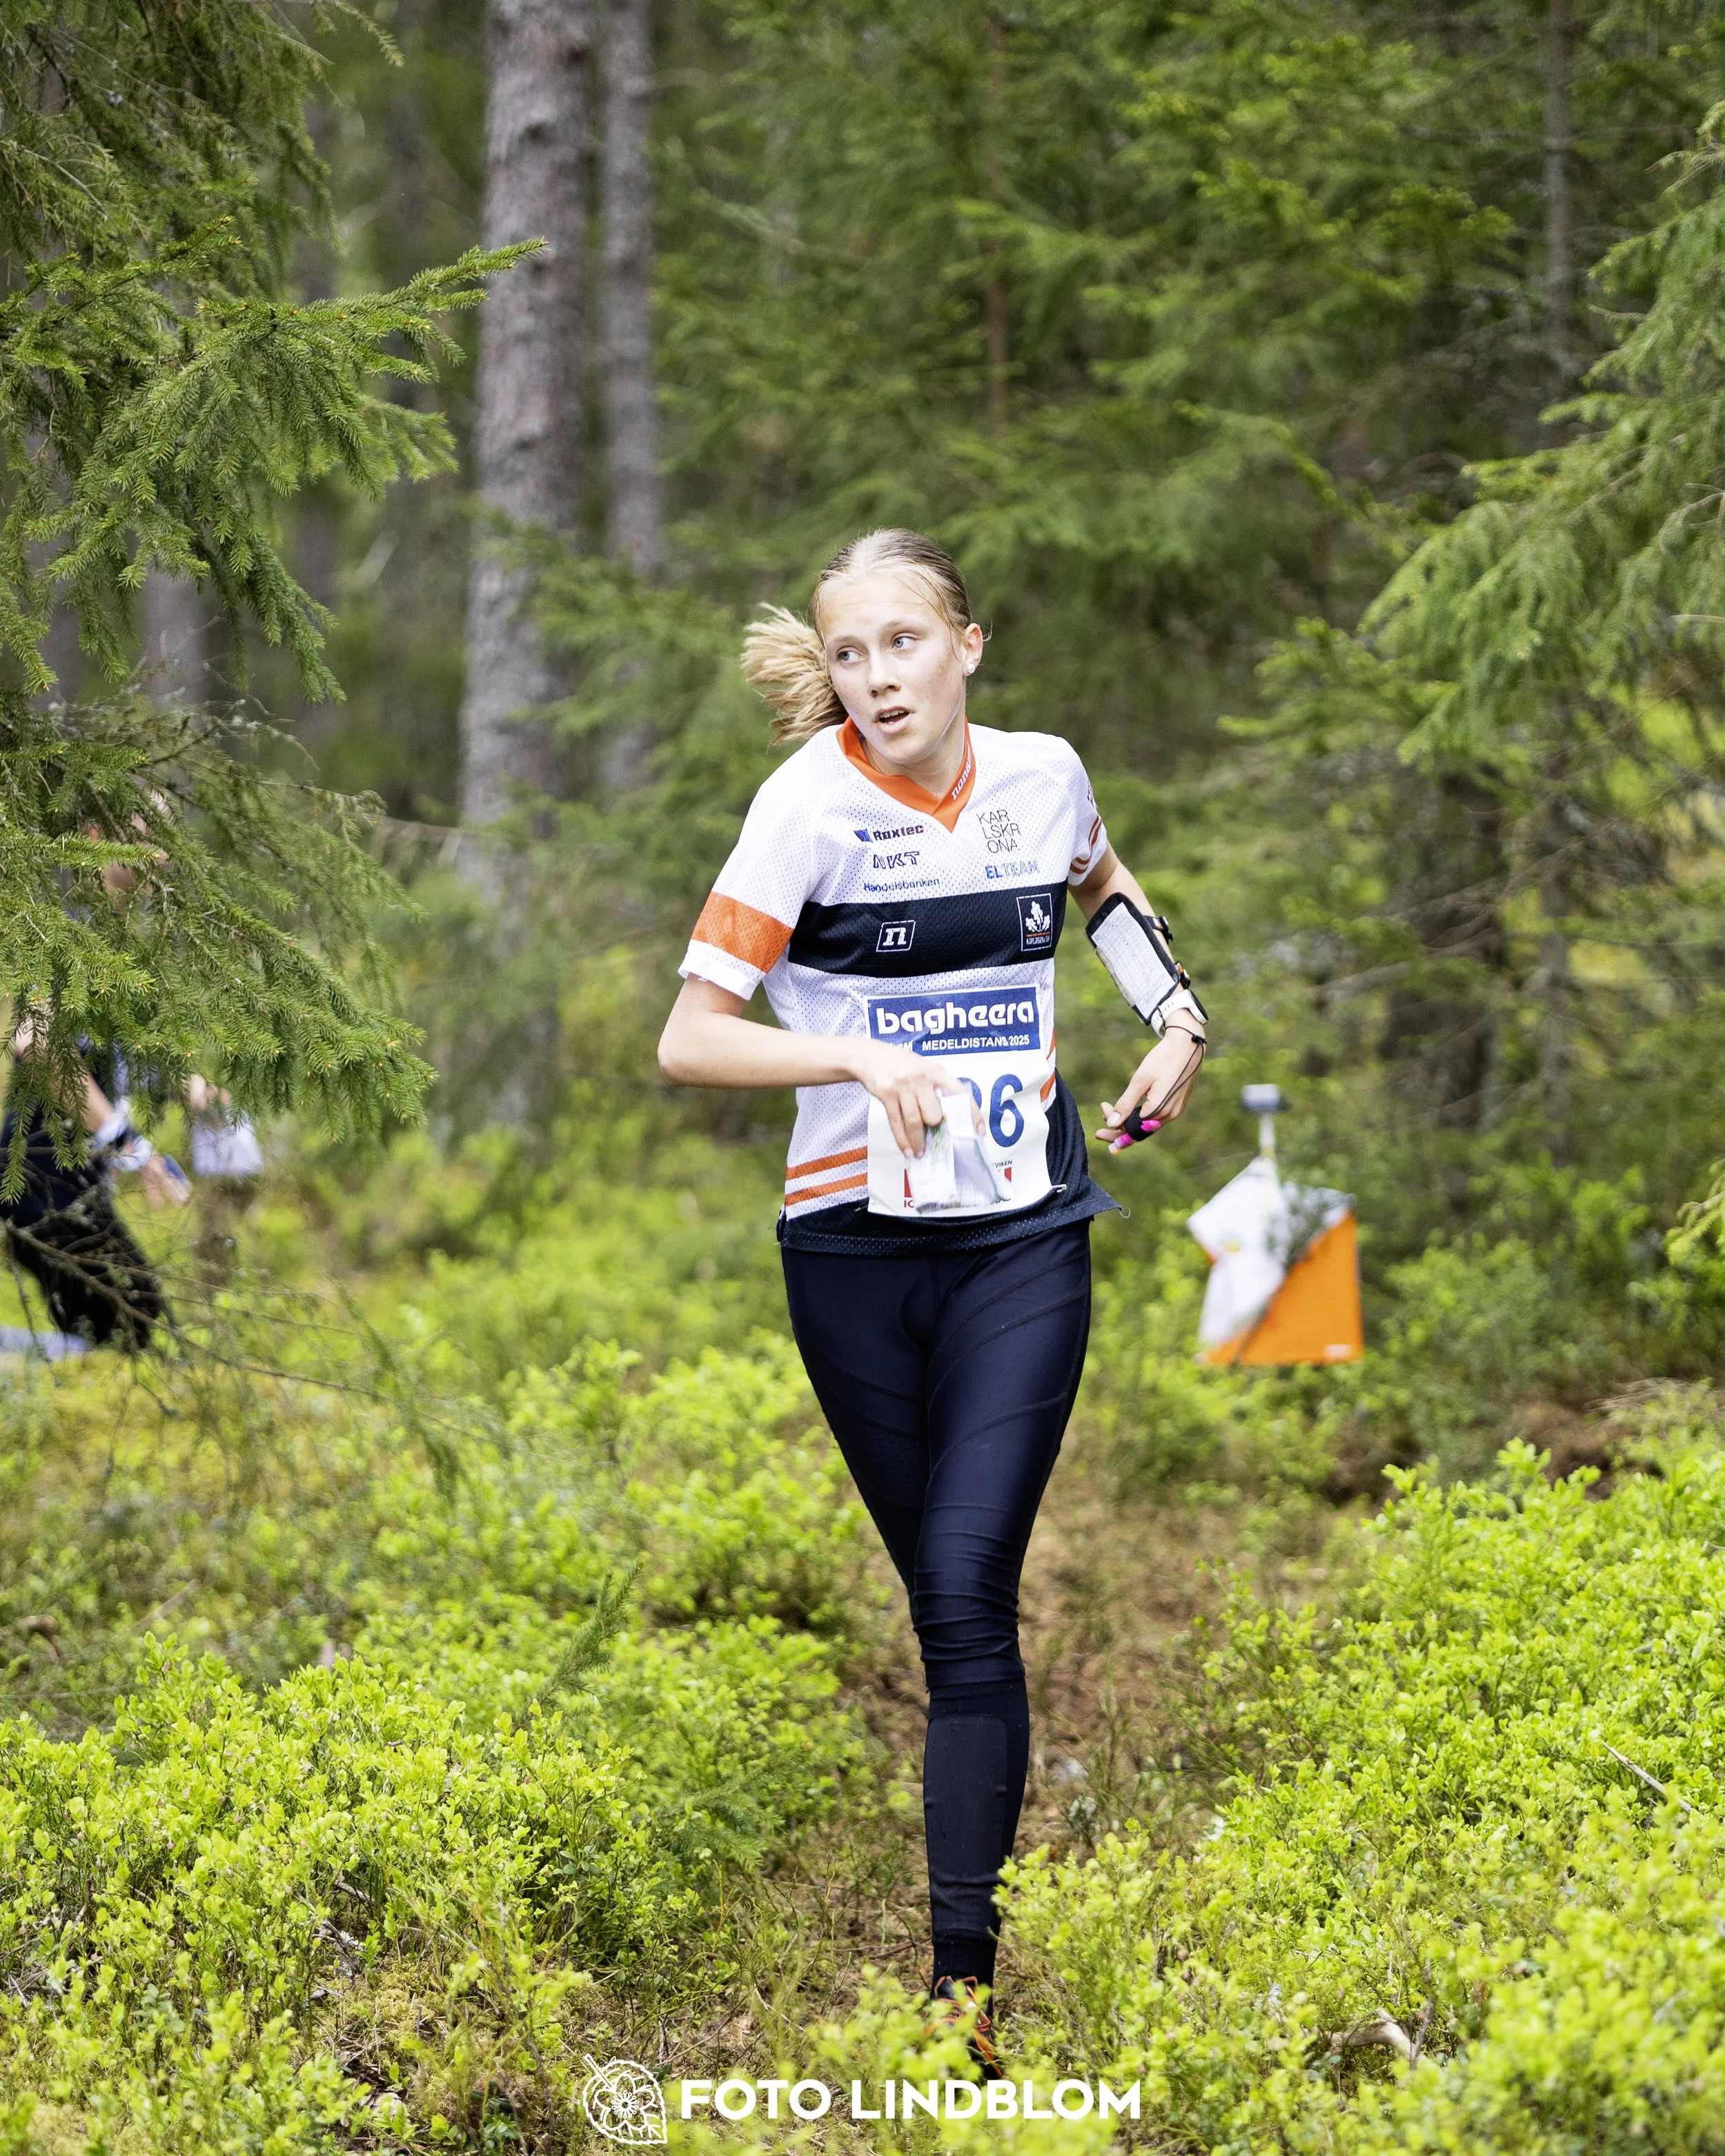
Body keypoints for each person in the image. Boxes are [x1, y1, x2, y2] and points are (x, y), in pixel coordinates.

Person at [658, 528, 1207, 2067]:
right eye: (849, 652)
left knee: (969, 1591)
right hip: (848, 1253)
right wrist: (851, 1052)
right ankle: (961, 1964)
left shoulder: (1042, 772)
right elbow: (691, 1036)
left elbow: (1097, 881)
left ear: (966, 642)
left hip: (1023, 1235)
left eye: (902, 642)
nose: (877, 675)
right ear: (827, 672)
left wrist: (1173, 1015)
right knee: (939, 1601)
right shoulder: (804, 811)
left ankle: (960, 1985)